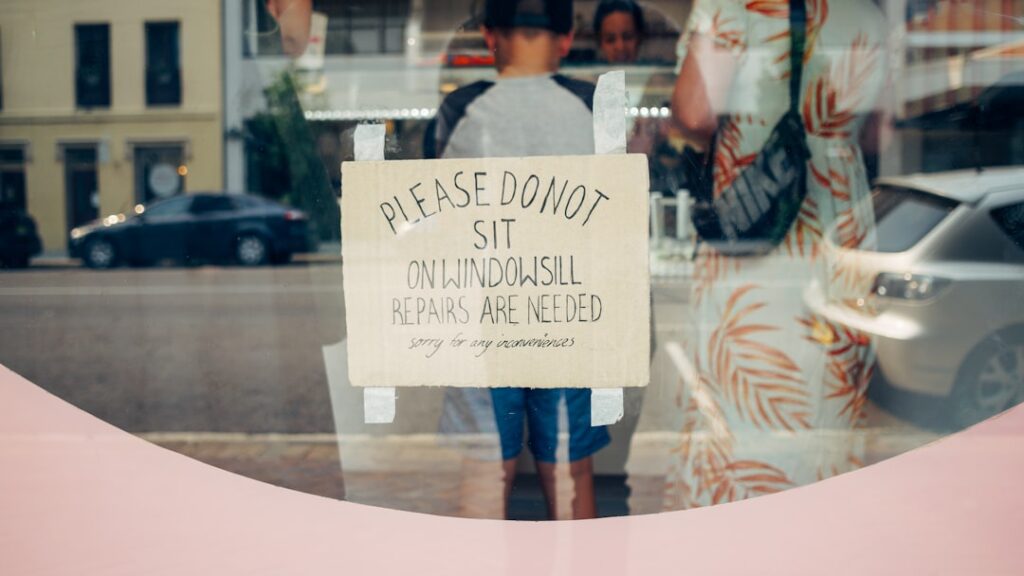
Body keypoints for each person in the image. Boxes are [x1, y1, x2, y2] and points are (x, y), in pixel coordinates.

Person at [664, 0, 887, 509]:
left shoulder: (735, 5)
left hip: (758, 229)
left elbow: (695, 111)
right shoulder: (870, 12)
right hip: (839, 225)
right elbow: (878, 131)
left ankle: (753, 536)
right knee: (825, 407)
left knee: (747, 416)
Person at [435, 0, 610, 520]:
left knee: (487, 469)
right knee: (570, 470)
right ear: (566, 38)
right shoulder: (591, 106)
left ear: (490, 36)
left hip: (481, 313)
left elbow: (437, 223)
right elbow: (615, 221)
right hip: (570, 308)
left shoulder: (460, 108)